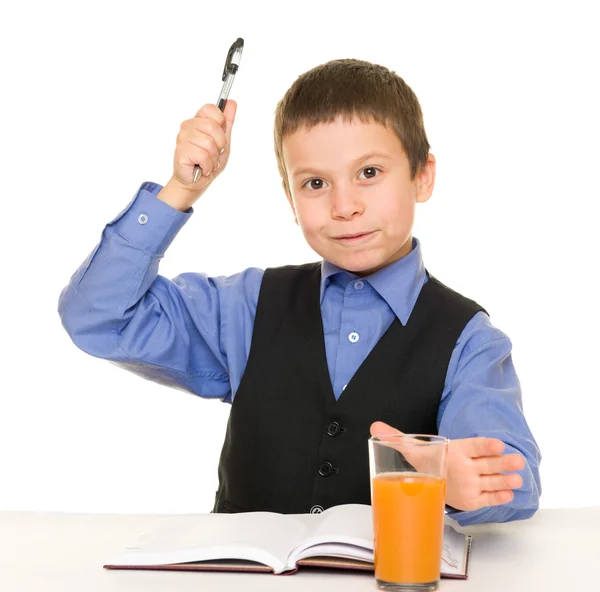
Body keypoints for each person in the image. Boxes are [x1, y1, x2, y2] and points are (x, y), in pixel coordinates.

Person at [58, 58, 541, 526]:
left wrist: (457, 481)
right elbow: (98, 317)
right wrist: (181, 190)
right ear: (290, 199)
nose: (344, 206)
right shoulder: (246, 306)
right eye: (314, 183)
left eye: (369, 173)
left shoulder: (469, 340)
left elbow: (516, 480)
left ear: (423, 175)